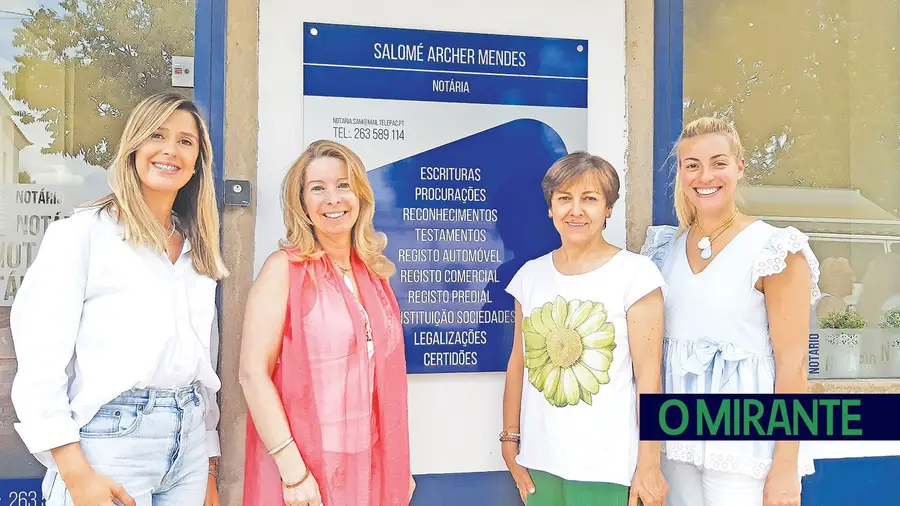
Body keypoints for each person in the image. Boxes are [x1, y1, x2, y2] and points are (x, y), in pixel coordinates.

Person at [10, 92, 229, 506]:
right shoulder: (82, 235)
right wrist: (74, 472)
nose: (170, 150)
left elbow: (203, 360)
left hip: (190, 449)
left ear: (199, 160)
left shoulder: (196, 249)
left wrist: (209, 464)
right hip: (108, 446)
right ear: (133, 147)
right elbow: (39, 361)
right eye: (157, 135)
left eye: (186, 141)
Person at [640, 116, 821, 506]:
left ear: (740, 167)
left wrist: (786, 468)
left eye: (718, 162)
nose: (705, 176)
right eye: (693, 165)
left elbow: (794, 365)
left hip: (745, 443)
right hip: (676, 437)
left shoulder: (775, 250)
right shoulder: (662, 249)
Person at [239, 140, 414, 506]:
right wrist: (293, 473)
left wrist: (398, 466)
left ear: (360, 196)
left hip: (370, 462)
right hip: (308, 466)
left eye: (343, 185)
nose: (333, 198)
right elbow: (253, 374)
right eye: (318, 189)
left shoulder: (374, 273)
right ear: (301, 204)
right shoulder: (283, 270)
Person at [501, 152, 669, 506]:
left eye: (589, 199)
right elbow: (519, 364)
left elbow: (649, 380)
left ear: (608, 208)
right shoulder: (529, 277)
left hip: (605, 468)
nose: (575, 210)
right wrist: (509, 442)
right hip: (539, 463)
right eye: (564, 199)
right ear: (550, 207)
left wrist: (649, 464)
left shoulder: (636, 276)